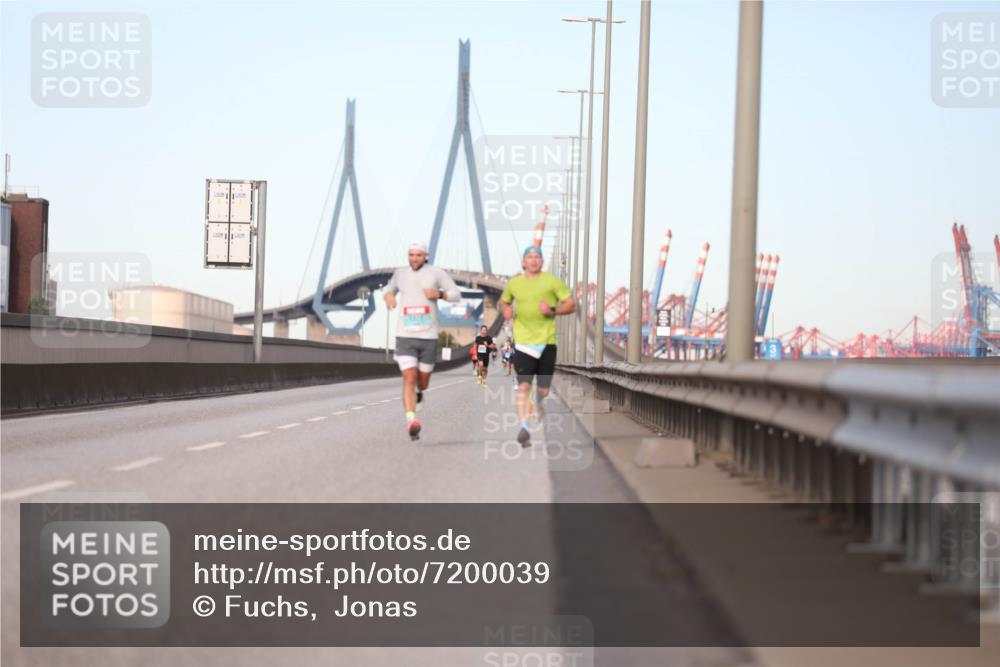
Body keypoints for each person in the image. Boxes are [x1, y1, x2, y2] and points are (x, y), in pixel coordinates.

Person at [500, 246, 575, 447]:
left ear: (541, 262)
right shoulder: (514, 283)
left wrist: (552, 309)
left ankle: (540, 402)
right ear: (523, 262)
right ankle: (524, 427)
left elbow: (571, 305)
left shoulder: (551, 282)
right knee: (523, 386)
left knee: (542, 390)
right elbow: (503, 302)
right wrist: (506, 310)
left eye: (537, 257)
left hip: (547, 342)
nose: (533, 261)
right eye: (529, 257)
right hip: (523, 342)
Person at [384, 242, 461, 440]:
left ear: (426, 256)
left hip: (428, 336)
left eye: (418, 255)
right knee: (408, 378)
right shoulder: (400, 274)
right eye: (411, 254)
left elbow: (456, 294)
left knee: (423, 382)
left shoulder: (437, 273)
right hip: (405, 336)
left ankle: (420, 391)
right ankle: (412, 421)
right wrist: (389, 297)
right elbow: (388, 289)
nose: (414, 258)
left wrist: (440, 294)